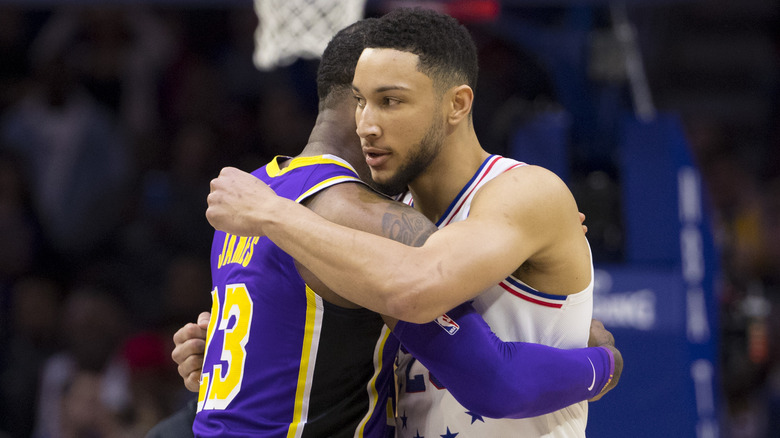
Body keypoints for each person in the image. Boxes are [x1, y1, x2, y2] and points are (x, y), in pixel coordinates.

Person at [192, 15, 621, 438]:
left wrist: (605, 364)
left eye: (390, 101)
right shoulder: (394, 217)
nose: (366, 125)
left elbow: (484, 368)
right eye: (360, 101)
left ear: (457, 104)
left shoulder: (521, 192)